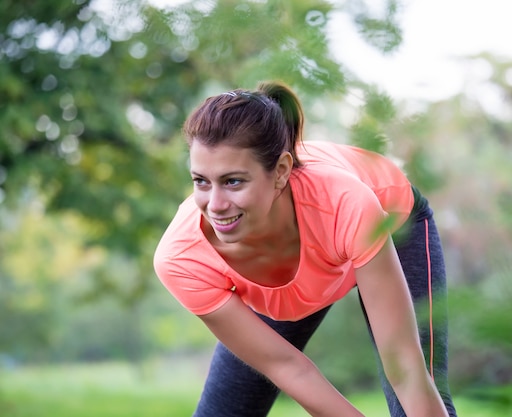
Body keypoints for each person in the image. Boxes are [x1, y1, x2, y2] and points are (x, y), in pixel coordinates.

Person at [153, 81, 458, 417]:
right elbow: (286, 366)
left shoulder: (346, 204)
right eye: (201, 181)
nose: (216, 205)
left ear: (280, 172)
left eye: (233, 181)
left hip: (392, 226)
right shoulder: (183, 259)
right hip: (309, 253)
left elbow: (404, 363)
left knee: (418, 397)